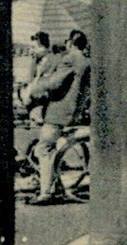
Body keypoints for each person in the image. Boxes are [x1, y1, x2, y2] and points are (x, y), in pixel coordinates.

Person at [24, 29, 91, 205]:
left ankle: (46, 192)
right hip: (72, 111)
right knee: (50, 148)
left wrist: (35, 87)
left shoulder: (70, 59)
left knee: (43, 149)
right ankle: (53, 185)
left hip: (58, 112)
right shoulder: (86, 61)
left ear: (70, 43)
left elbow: (54, 83)